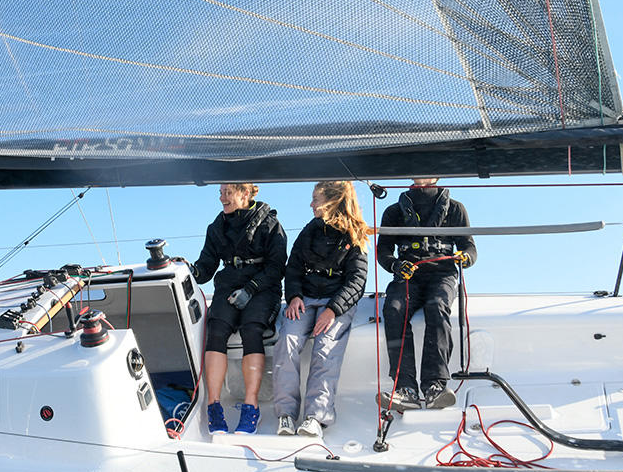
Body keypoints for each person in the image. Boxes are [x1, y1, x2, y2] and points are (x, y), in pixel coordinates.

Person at [271, 181, 369, 437]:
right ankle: (285, 415)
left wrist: (333, 310)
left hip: (336, 303)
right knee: (287, 342)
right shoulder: (309, 231)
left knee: (325, 349)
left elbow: (357, 281)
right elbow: (293, 268)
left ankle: (316, 417)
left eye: (316, 199)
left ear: (332, 201)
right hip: (305, 298)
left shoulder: (355, 234)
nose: (311, 204)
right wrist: (293, 296)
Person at [190, 183, 286, 434]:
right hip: (228, 286)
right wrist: (191, 270)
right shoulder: (216, 228)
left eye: (227, 192)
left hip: (263, 287)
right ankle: (213, 406)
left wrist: (251, 289)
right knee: (217, 329)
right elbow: (206, 266)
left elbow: (277, 267)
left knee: (251, 329)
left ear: (245, 193)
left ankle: (250, 407)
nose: (221, 197)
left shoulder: (270, 224)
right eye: (221, 192)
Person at [375, 178, 475, 411]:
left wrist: (466, 258)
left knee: (437, 306)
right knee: (393, 309)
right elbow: (384, 251)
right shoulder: (393, 211)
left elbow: (470, 247)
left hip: (443, 276)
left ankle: (435, 386)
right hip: (409, 276)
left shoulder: (456, 209)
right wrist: (395, 266)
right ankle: (405, 389)